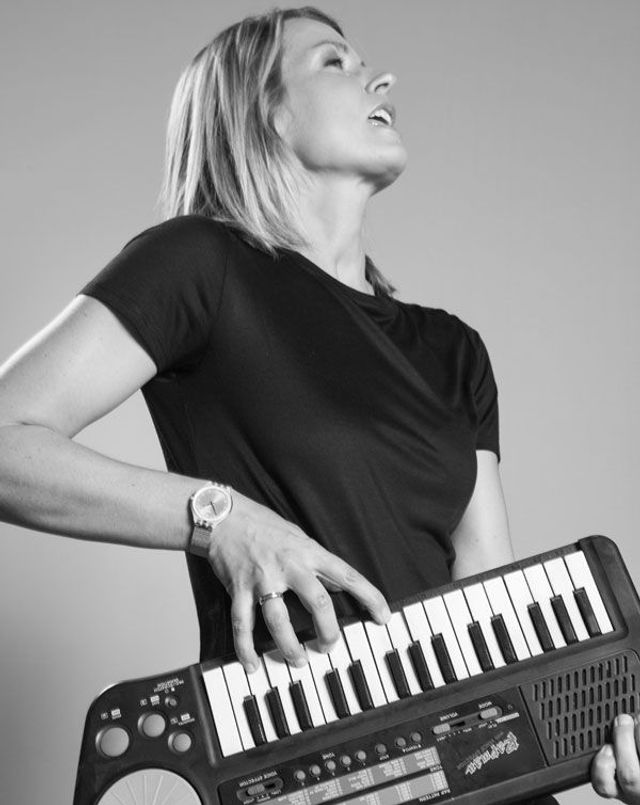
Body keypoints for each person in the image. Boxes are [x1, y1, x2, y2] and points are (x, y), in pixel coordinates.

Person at [0, 6, 634, 804]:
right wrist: (222, 520)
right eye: (336, 62)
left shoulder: (454, 350)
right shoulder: (200, 264)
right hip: (301, 766)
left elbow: (489, 617)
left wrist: (593, 741)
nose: (382, 78)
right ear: (265, 111)